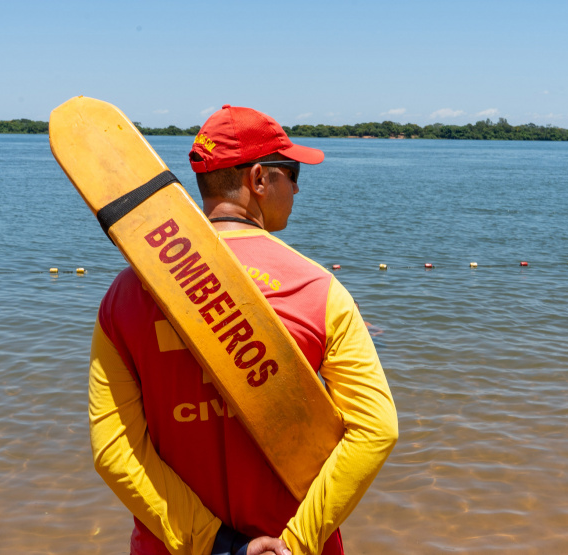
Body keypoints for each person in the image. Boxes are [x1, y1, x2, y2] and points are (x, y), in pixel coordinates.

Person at [88, 104, 399, 555]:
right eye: (291, 172)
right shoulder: (317, 289)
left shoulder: (124, 296)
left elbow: (114, 453)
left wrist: (218, 545)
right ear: (258, 180)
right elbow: (375, 430)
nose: (296, 188)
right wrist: (295, 541)